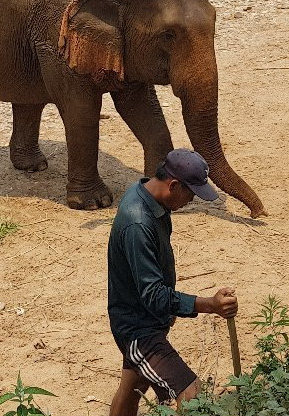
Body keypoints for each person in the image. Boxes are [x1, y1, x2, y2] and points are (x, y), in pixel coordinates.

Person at [107, 150, 238, 416]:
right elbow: (153, 294)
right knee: (191, 392)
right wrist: (209, 304)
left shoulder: (148, 196)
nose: (190, 201)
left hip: (143, 317)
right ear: (174, 185)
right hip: (137, 328)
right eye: (190, 194)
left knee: (133, 385)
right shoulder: (138, 223)